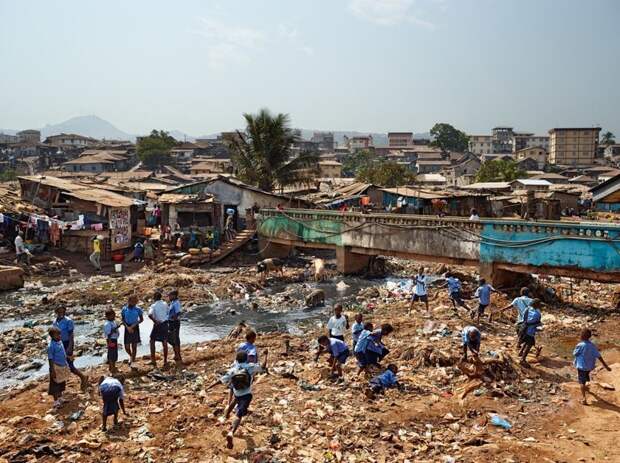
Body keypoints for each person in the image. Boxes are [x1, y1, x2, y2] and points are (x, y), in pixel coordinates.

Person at [206, 349, 269, 449]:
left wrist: (209, 387)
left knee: (235, 400)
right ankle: (231, 432)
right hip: (246, 395)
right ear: (247, 358)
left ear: (237, 360)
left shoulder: (233, 370)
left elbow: (221, 380)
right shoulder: (250, 367)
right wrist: (266, 355)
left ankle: (224, 416)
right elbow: (263, 367)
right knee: (238, 415)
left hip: (237, 393)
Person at [573, 328, 612, 405]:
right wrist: (606, 366)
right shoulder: (592, 345)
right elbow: (599, 356)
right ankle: (586, 386)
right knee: (586, 375)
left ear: (582, 336)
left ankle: (584, 398)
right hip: (589, 367)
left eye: (580, 334)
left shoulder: (580, 345)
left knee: (581, 382)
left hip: (581, 366)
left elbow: (575, 353)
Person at [53, 307, 88, 390]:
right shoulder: (55, 322)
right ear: (56, 312)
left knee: (70, 365)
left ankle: (83, 377)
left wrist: (70, 347)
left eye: (63, 311)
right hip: (59, 344)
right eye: (59, 311)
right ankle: (63, 385)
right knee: (61, 364)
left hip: (67, 343)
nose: (61, 313)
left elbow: (71, 335)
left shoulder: (68, 321)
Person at [48, 326, 70, 408]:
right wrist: (52, 370)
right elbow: (50, 359)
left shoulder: (60, 342)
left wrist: (66, 360)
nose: (59, 336)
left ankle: (60, 398)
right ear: (52, 336)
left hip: (62, 365)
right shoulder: (51, 346)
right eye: (57, 335)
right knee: (55, 384)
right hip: (55, 366)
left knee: (61, 382)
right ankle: (56, 401)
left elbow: (63, 353)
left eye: (59, 335)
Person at [121, 295, 144, 367]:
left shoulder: (138, 309)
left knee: (134, 346)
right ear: (129, 301)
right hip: (127, 327)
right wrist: (127, 327)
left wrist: (133, 326)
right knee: (127, 346)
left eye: (135, 302)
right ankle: (131, 356)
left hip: (135, 327)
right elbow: (123, 320)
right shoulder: (124, 309)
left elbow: (141, 319)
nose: (134, 303)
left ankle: (133, 360)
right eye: (133, 302)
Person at [148, 291, 169, 368]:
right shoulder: (165, 304)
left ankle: (153, 360)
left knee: (152, 340)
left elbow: (150, 314)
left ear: (154, 298)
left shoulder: (153, 305)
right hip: (165, 324)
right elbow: (168, 312)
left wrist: (155, 321)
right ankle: (165, 360)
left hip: (157, 325)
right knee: (164, 341)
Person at [518, 301, 542, 367]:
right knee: (530, 344)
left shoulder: (527, 309)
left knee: (526, 341)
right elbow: (537, 323)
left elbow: (523, 318)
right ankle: (523, 359)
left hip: (523, 328)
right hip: (530, 331)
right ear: (537, 306)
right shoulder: (537, 313)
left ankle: (520, 352)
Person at [167, 290, 183, 364]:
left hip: (174, 322)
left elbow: (178, 312)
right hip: (171, 322)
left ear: (174, 295)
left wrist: (174, 318)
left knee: (175, 338)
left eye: (170, 295)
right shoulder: (172, 302)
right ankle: (176, 354)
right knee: (171, 338)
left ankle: (178, 355)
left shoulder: (176, 303)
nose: (169, 297)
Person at [104, 308, 120, 374]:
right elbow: (109, 334)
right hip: (111, 340)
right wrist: (110, 342)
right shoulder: (107, 324)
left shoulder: (112, 322)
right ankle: (112, 367)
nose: (114, 316)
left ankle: (112, 366)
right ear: (108, 316)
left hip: (114, 339)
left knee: (114, 353)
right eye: (113, 315)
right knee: (112, 354)